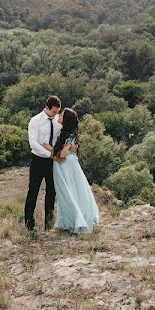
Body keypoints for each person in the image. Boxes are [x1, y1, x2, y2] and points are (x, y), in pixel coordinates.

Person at [50, 108, 99, 234]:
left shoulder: (68, 135)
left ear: (65, 120)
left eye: (61, 115)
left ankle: (76, 220)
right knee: (70, 192)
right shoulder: (66, 132)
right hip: (66, 165)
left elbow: (62, 155)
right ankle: (66, 221)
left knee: (67, 193)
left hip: (65, 166)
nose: (59, 116)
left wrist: (61, 150)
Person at [25, 95, 61, 231]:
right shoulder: (35, 121)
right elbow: (33, 143)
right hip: (38, 160)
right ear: (47, 108)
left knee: (51, 192)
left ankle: (49, 224)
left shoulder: (58, 120)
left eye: (58, 112)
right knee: (33, 192)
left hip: (53, 162)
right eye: (54, 112)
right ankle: (29, 224)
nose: (56, 114)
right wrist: (49, 154)